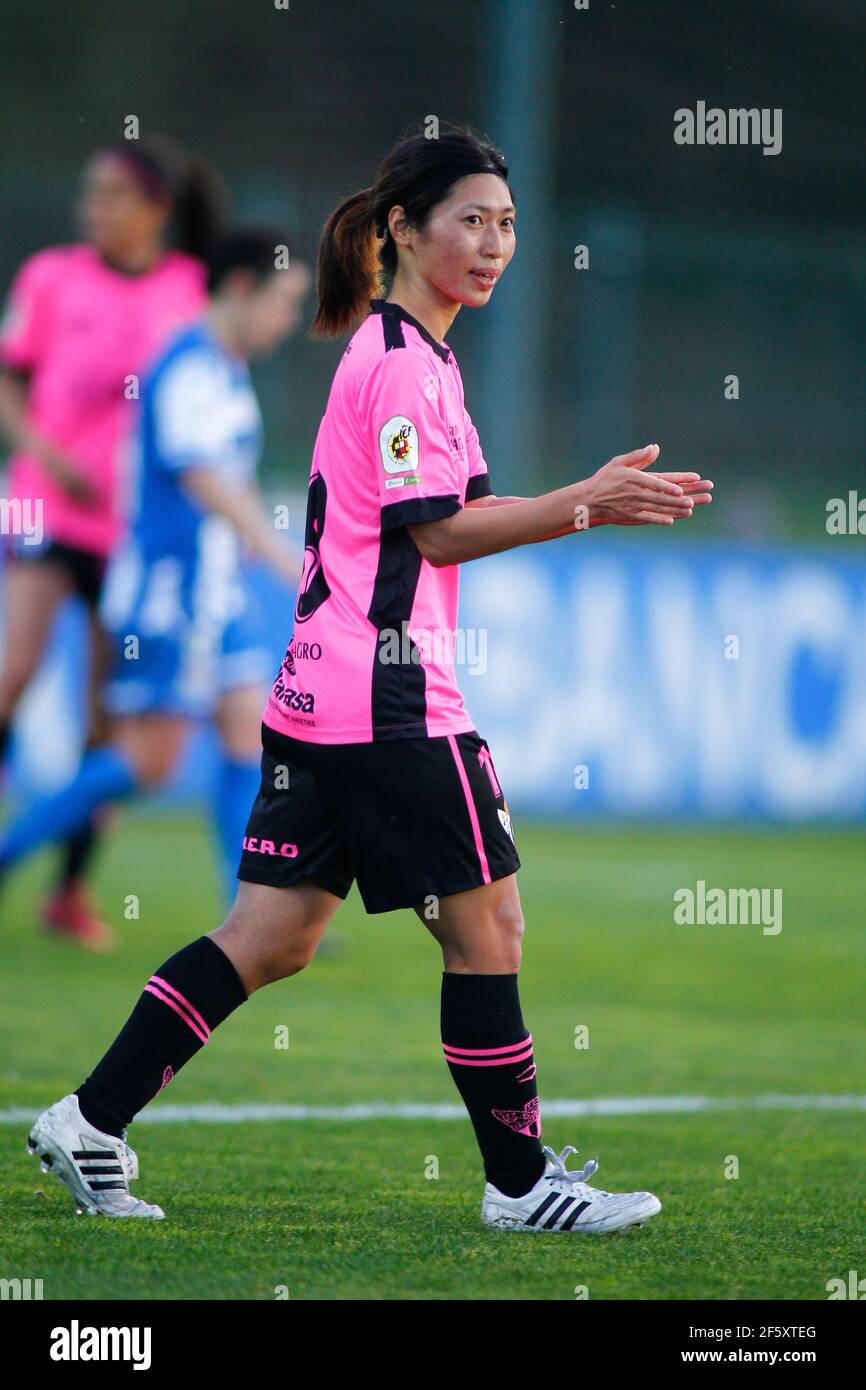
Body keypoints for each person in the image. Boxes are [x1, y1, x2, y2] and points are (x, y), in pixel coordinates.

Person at [25, 123, 712, 1233]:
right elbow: (435, 536)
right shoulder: (396, 363)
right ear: (402, 227)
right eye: (471, 222)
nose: (495, 245)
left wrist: (574, 501)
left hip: (320, 690)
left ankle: (88, 1120)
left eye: (508, 226)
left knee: (272, 934)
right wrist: (588, 501)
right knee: (487, 926)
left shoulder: (420, 357)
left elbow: (454, 521)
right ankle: (522, 1185)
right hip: (384, 695)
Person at [0, 228, 309, 911]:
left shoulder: (222, 367)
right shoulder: (191, 365)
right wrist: (276, 547)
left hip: (214, 586)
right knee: (147, 762)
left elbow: (228, 472)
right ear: (239, 289)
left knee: (245, 734)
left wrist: (255, 540)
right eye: (283, 301)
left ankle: (250, 915)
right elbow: (200, 475)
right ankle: (8, 853)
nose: (288, 319)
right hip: (173, 587)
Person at [0, 136, 222, 946]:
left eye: (112, 195)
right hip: (43, 510)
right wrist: (46, 451)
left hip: (129, 535)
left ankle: (67, 891)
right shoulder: (51, 278)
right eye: (90, 193)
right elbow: (9, 378)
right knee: (13, 673)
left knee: (104, 722)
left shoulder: (188, 291)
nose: (94, 209)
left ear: (156, 209)